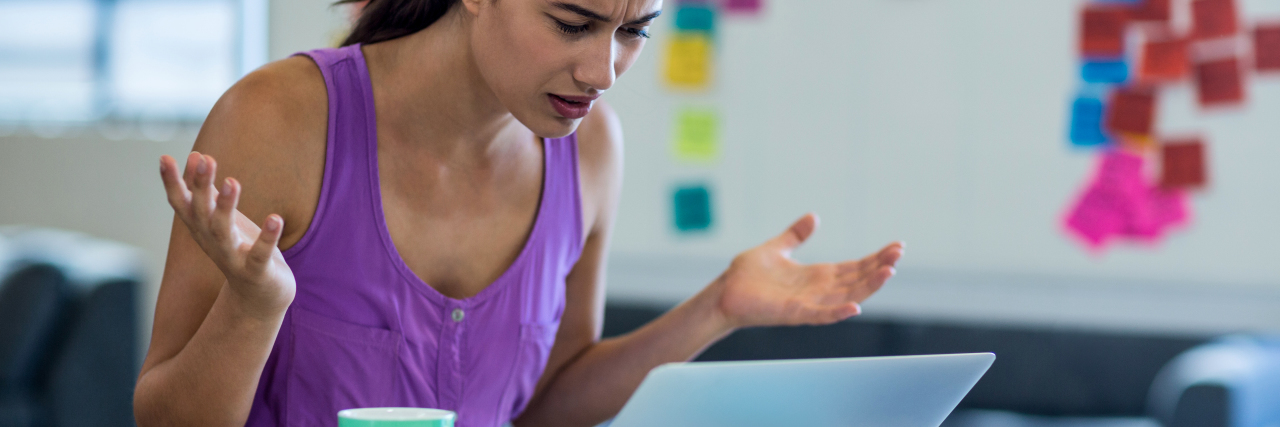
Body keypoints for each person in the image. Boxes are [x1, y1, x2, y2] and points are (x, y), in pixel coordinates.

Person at [131, 0, 904, 426]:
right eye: (573, 23)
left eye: (634, 30)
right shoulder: (280, 121)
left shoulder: (592, 147)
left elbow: (549, 406)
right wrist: (256, 308)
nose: (603, 70)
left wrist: (717, 309)